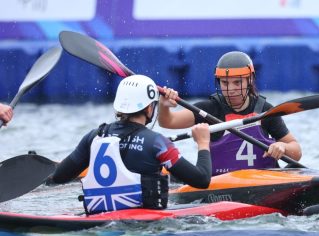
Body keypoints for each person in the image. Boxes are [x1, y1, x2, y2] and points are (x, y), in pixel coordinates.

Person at [47, 75, 212, 214]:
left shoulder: (94, 136)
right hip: (142, 225)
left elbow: (59, 177)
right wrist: (203, 142)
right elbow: (202, 180)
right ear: (149, 109)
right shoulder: (157, 142)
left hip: (98, 217)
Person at [159, 51, 302, 176]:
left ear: (250, 80)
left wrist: (283, 147)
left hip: (263, 180)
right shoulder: (209, 109)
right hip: (222, 184)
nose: (231, 89)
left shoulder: (265, 110)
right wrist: (163, 105)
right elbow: (168, 122)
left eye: (237, 83)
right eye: (225, 83)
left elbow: (296, 152)